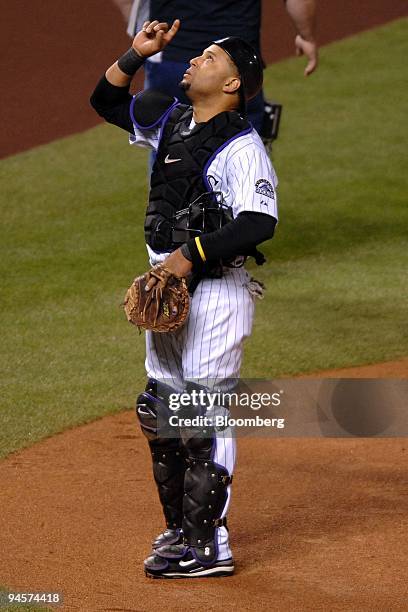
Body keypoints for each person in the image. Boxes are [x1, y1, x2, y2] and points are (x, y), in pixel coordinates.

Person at [90, 18, 278, 578]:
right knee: (161, 410)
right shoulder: (173, 120)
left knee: (200, 415)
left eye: (212, 58)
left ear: (232, 84)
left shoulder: (242, 146)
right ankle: (181, 531)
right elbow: (105, 102)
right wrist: (133, 54)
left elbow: (258, 223)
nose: (196, 59)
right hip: (168, 289)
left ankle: (210, 546)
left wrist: (189, 254)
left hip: (216, 293)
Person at [124, 0, 318, 134]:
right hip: (233, 64)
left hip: (169, 56)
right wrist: (306, 36)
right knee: (242, 151)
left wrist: (144, 38)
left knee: (166, 146)